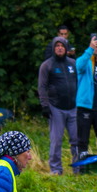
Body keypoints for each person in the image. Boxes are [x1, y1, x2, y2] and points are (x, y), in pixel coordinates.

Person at [38, 36, 78, 175]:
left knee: (76, 139)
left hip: (73, 107)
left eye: (62, 45)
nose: (60, 48)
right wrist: (44, 105)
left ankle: (77, 168)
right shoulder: (47, 65)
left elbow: (79, 83)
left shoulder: (73, 63)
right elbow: (42, 87)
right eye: (57, 46)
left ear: (66, 48)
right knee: (56, 140)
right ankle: (56, 169)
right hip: (56, 107)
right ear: (54, 48)